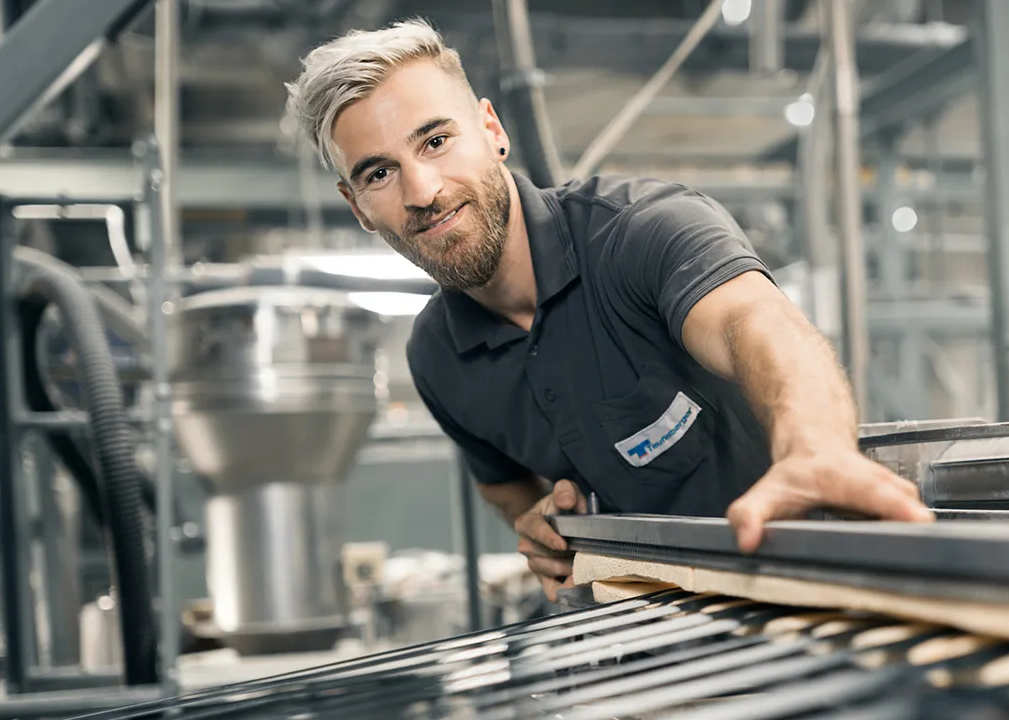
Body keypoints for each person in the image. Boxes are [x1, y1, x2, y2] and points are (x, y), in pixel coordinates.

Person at [287, 19, 932, 600]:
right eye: (379, 173)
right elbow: (500, 480)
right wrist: (538, 519)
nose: (422, 191)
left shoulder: (642, 231)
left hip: (812, 591)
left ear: (492, 130)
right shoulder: (435, 356)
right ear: (356, 207)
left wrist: (814, 448)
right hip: (649, 637)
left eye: (435, 141)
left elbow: (756, 327)